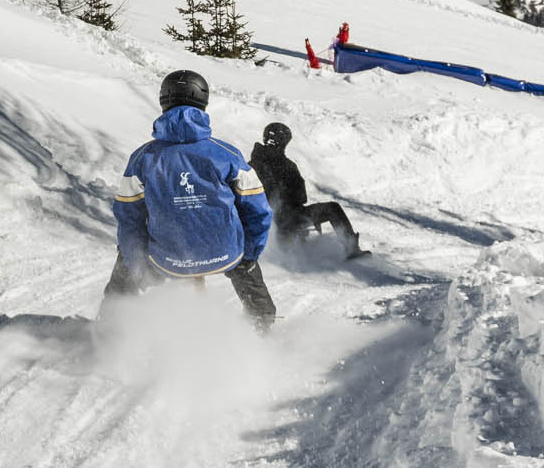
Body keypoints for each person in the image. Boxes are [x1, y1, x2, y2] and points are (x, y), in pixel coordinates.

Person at [100, 69, 276, 331]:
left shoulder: (143, 158)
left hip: (167, 257)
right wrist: (248, 254)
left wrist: (137, 264)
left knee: (127, 253)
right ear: (203, 103)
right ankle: (261, 322)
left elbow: (129, 217)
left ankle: (112, 326)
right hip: (226, 253)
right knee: (244, 263)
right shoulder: (226, 154)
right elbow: (258, 210)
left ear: (164, 101)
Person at [248, 122, 363, 262]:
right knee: (332, 208)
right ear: (283, 142)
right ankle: (352, 249)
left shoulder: (251, 164)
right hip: (285, 221)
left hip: (268, 225)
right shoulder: (286, 165)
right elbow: (301, 197)